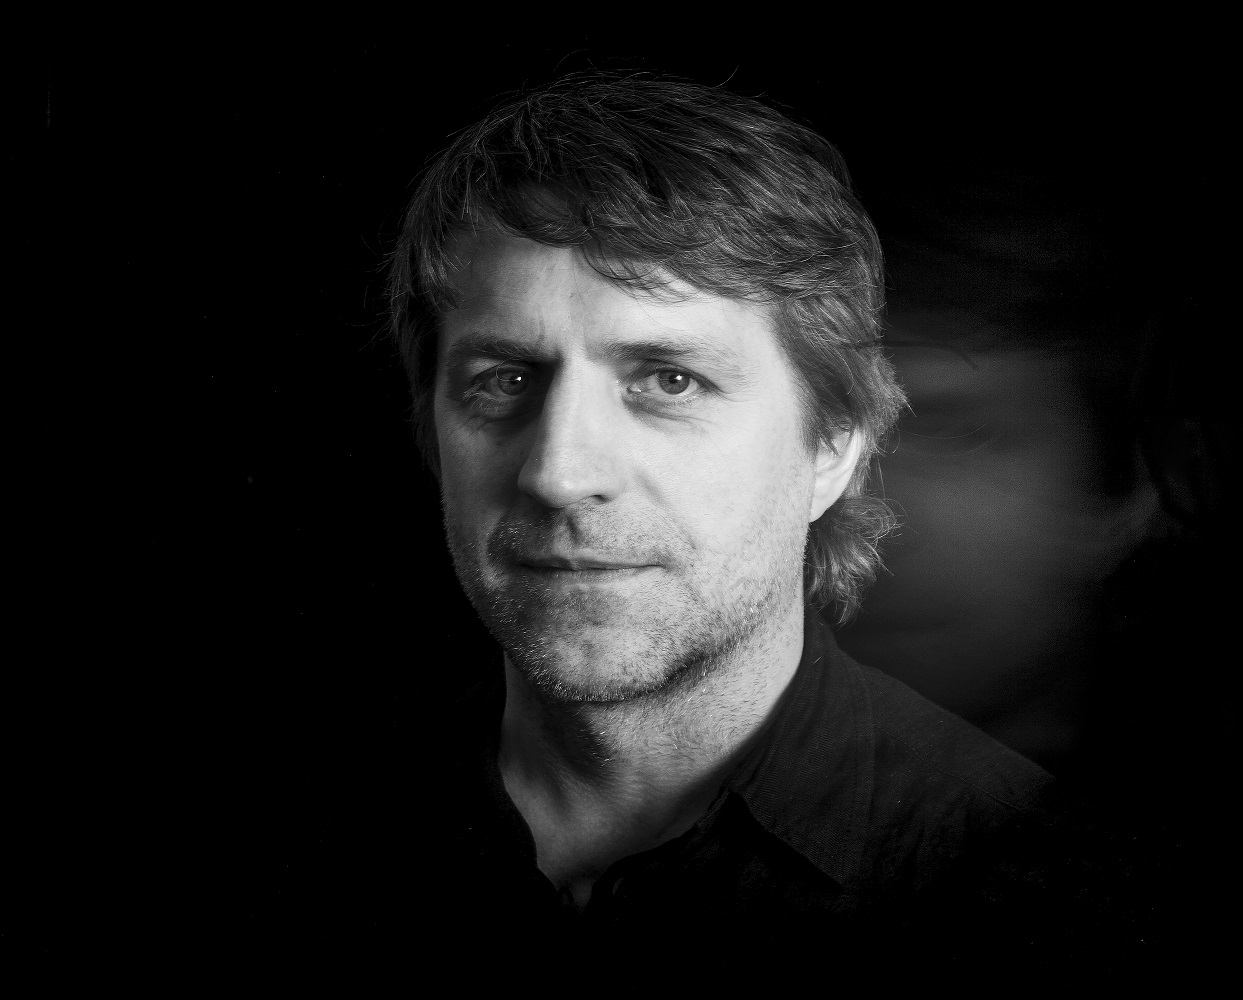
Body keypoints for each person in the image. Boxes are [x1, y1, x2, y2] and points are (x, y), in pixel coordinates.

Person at [273, 75, 1141, 977]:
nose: (559, 474)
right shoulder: (300, 846)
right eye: (505, 380)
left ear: (833, 444)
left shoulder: (1052, 912)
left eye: (669, 381)